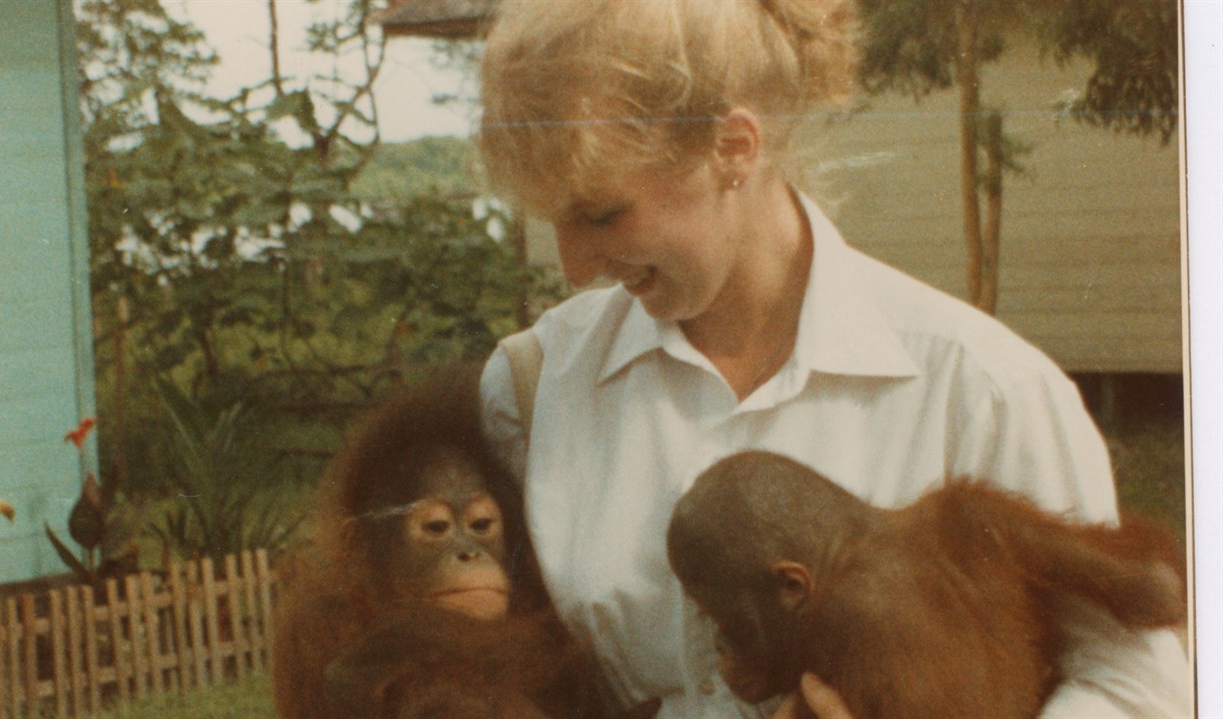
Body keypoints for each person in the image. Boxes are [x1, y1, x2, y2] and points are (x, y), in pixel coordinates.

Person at [474, 1, 1191, 717]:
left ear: (734, 147)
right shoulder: (537, 387)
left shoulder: (979, 387)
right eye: (552, 219)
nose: (573, 266)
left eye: (602, 215)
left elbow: (1134, 686)